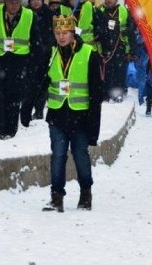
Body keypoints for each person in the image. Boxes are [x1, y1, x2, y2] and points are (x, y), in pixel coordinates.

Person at [42, 14, 104, 212]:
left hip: (80, 116)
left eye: (65, 33)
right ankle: (56, 196)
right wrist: (28, 106)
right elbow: (40, 82)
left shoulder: (88, 54)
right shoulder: (50, 53)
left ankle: (86, 192)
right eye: (58, 33)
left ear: (73, 33)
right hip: (57, 114)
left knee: (80, 155)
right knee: (58, 155)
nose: (61, 37)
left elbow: (96, 93)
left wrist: (94, 127)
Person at [0, 0, 41, 140]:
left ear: (21, 2)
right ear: (5, 1)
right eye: (10, 1)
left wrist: (31, 65)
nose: (13, 5)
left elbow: (36, 42)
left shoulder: (29, 15)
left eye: (16, 1)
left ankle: (10, 130)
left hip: (19, 62)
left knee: (14, 96)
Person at [93, 0, 134, 102]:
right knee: (105, 72)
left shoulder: (123, 10)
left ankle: (118, 94)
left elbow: (131, 27)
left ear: (116, 0)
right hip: (104, 46)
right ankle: (106, 94)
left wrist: (126, 31)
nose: (109, 0)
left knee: (119, 72)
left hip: (119, 46)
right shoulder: (99, 10)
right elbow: (95, 26)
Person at [22, 0, 53, 124]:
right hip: (28, 54)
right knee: (28, 83)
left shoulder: (49, 14)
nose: (36, 2)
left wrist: (46, 45)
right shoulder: (25, 13)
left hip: (45, 54)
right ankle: (26, 108)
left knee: (42, 83)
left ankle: (39, 109)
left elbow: (53, 33)